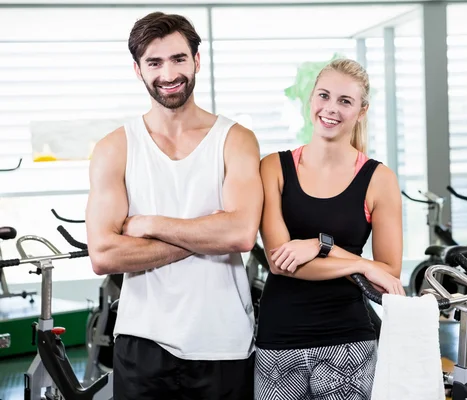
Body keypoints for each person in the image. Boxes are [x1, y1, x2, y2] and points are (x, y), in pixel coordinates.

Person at [85, 11, 263, 400]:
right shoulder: (115, 148)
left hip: (223, 341)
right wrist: (208, 234)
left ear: (197, 61)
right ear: (138, 69)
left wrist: (148, 223)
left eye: (179, 59)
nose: (169, 73)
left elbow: (240, 233)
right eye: (155, 62)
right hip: (142, 341)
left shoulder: (236, 140)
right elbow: (103, 254)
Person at [255, 58, 405, 400]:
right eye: (324, 96)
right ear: (311, 100)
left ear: (361, 111)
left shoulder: (379, 179)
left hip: (348, 342)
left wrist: (318, 246)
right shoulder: (273, 167)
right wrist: (356, 262)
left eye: (345, 101)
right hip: (279, 339)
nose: (331, 108)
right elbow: (280, 262)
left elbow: (389, 273)